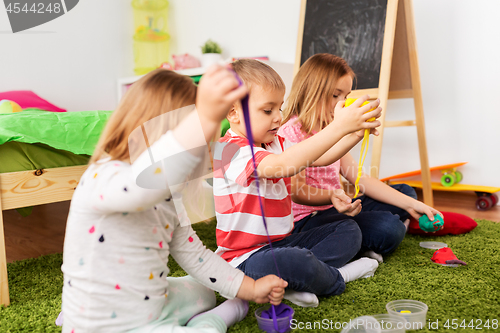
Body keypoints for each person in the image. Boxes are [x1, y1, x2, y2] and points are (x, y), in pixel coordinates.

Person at [60, 66, 288, 333]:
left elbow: (195, 255)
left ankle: (209, 311)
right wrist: (203, 117)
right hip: (109, 326)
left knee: (206, 291)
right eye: (200, 137)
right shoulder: (103, 176)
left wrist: (250, 287)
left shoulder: (168, 193)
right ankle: (211, 323)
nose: (204, 147)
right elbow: (142, 188)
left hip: (151, 303)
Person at [212, 59, 382, 308]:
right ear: (233, 113)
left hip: (283, 241)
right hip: (244, 260)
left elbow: (321, 156)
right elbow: (284, 165)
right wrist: (338, 126)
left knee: (348, 230)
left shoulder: (274, 142)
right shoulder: (230, 150)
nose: (279, 118)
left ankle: (298, 281)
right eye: (268, 111)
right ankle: (338, 277)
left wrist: (353, 133)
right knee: (295, 261)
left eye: (279, 109)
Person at [279, 53, 442, 263]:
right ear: (311, 91)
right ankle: (361, 241)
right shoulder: (290, 133)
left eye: (345, 96)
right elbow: (297, 192)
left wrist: (411, 205)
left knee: (405, 193)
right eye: (335, 95)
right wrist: (332, 195)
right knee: (388, 228)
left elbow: (360, 179)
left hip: (336, 206)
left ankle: (367, 237)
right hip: (308, 220)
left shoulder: (330, 128)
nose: (343, 104)